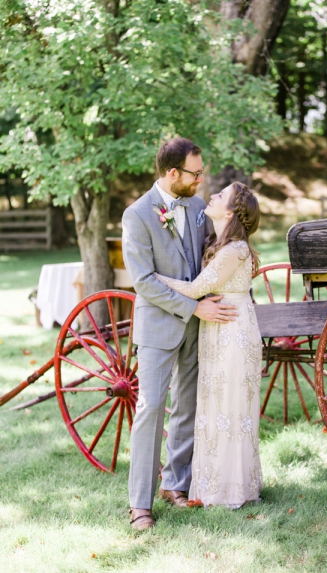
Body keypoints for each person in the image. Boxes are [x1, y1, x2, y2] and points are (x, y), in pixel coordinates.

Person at [123, 138, 238, 530]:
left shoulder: (195, 206)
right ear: (173, 173)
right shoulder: (137, 215)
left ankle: (175, 484)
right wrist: (194, 306)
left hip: (198, 327)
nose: (200, 179)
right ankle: (140, 504)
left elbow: (210, 253)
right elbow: (144, 283)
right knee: (151, 408)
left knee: (188, 405)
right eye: (195, 173)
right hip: (159, 326)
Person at [153, 181, 263, 508]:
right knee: (215, 407)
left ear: (230, 211)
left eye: (220, 196)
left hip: (232, 332)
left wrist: (154, 279)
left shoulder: (235, 249)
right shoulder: (219, 242)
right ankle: (212, 483)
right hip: (217, 328)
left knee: (229, 408)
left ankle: (229, 490)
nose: (211, 196)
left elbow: (197, 288)